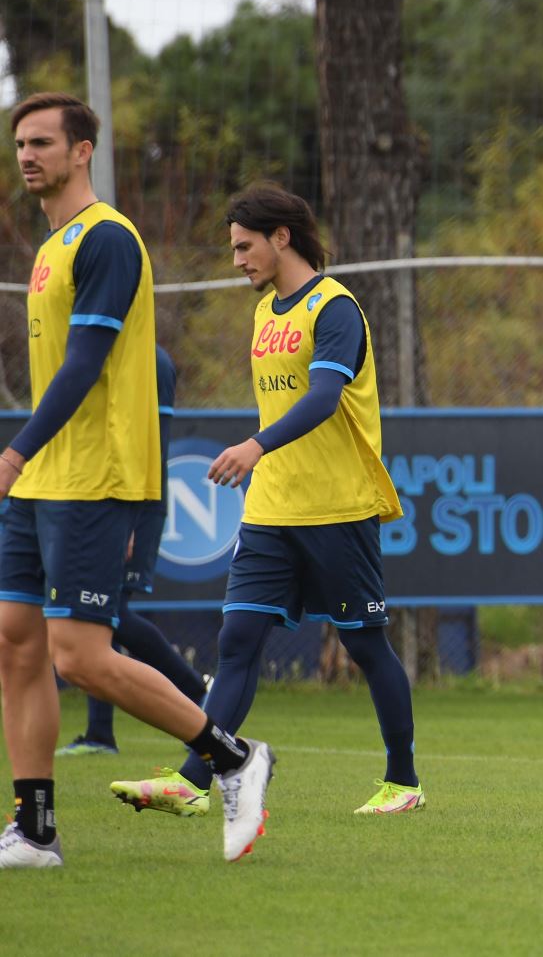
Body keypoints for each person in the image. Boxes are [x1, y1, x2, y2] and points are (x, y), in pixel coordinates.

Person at [1, 92, 272, 868]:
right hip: (45, 479)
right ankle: (36, 829)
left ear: (83, 150)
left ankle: (232, 757)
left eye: (44, 141)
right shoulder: (51, 245)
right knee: (15, 644)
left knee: (80, 655)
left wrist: (14, 452)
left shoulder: (109, 239)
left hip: (95, 475)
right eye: (21, 142)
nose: (28, 154)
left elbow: (85, 364)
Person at [110, 183, 423, 818]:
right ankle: (195, 780)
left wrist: (255, 445)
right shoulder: (265, 313)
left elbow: (323, 397)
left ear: (282, 237)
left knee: (365, 645)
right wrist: (262, 461)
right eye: (233, 248)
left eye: (244, 246)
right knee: (239, 639)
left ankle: (403, 781)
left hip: (336, 508)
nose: (236, 261)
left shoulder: (334, 309)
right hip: (272, 508)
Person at [58, 345, 211, 757]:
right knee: (98, 616)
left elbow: (147, 443)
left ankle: (197, 692)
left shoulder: (151, 360)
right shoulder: (104, 349)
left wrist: (128, 515)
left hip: (132, 505)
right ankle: (100, 735)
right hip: (104, 502)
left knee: (111, 614)